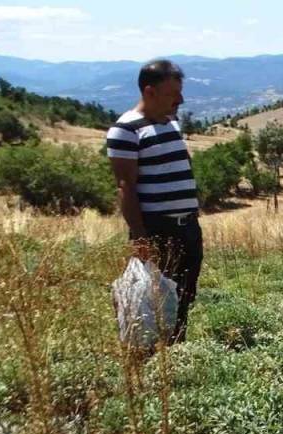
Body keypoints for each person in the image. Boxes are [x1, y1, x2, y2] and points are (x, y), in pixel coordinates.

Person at [106, 59, 202, 344]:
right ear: (149, 92)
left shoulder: (171, 123)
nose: (180, 100)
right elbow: (126, 188)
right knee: (152, 298)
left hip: (188, 227)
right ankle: (148, 358)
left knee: (184, 294)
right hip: (158, 230)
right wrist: (141, 238)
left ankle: (176, 351)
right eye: (173, 94)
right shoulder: (125, 130)